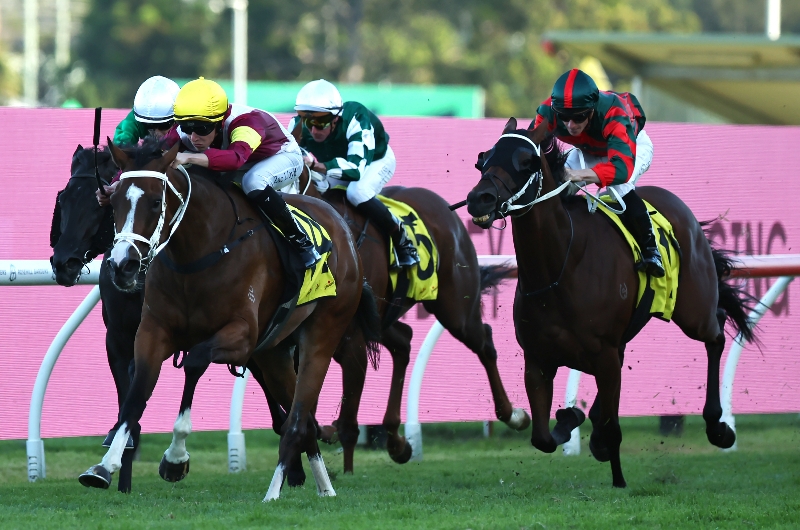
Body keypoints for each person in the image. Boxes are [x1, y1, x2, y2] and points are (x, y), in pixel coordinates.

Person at [165, 77, 320, 268]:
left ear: (220, 121)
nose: (193, 137)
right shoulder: (189, 130)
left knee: (253, 182)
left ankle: (302, 242)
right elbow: (158, 155)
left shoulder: (247, 121)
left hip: (282, 157)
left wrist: (189, 157)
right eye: (187, 128)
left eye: (201, 129)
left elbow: (235, 158)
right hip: (244, 161)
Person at [530, 68, 664, 278]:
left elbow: (621, 169)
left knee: (619, 189)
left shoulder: (614, 113)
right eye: (564, 117)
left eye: (579, 117)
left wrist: (578, 175)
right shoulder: (548, 111)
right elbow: (529, 146)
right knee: (556, 188)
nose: (571, 125)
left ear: (592, 109)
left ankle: (651, 250)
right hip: (590, 150)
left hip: (630, 149)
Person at [290, 79, 419, 268]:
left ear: (336, 118)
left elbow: (355, 170)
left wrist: (316, 165)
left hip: (373, 161)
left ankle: (402, 239)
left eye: (321, 121)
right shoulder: (297, 125)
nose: (314, 129)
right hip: (336, 163)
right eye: (308, 121)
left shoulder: (356, 117)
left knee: (357, 192)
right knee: (316, 188)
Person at [97, 76, 180, 205]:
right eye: (149, 126)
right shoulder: (135, 120)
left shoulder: (185, 121)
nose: (157, 133)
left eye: (164, 125)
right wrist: (115, 185)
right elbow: (125, 155)